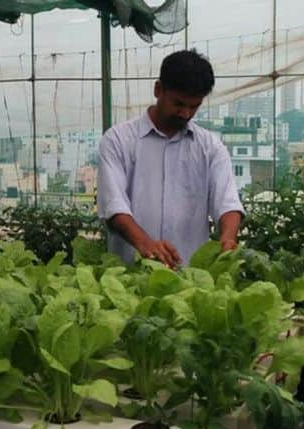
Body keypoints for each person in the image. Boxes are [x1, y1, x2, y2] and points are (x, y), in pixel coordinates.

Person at [97, 50, 245, 268]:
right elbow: (113, 206)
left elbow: (228, 203)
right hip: (128, 281)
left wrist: (228, 238)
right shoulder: (118, 140)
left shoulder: (210, 148)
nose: (185, 113)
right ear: (158, 90)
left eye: (194, 106)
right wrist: (146, 244)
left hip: (189, 283)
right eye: (178, 103)